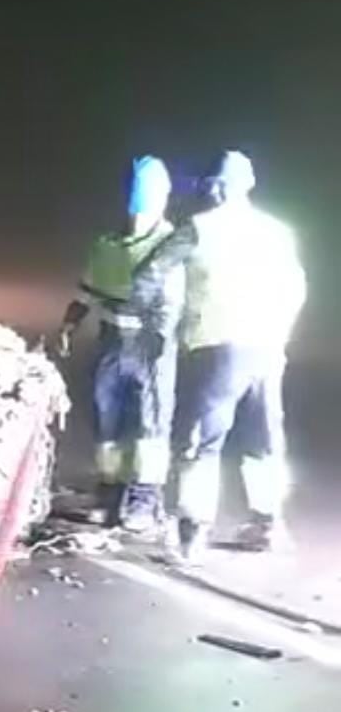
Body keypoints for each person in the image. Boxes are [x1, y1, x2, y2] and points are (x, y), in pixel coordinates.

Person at [131, 150, 306, 562]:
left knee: (201, 443)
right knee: (263, 440)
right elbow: (296, 286)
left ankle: (192, 535)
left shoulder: (199, 227)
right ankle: (268, 524)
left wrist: (151, 327)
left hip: (216, 347)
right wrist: (281, 334)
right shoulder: (277, 232)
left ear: (216, 187)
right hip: (266, 349)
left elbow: (149, 274)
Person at [59, 155, 183, 531]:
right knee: (109, 424)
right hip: (113, 343)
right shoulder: (108, 246)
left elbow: (171, 306)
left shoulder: (169, 246)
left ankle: (143, 500)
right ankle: (111, 496)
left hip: (150, 347)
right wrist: (69, 324)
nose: (139, 214)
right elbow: (87, 292)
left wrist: (157, 344)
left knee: (149, 426)